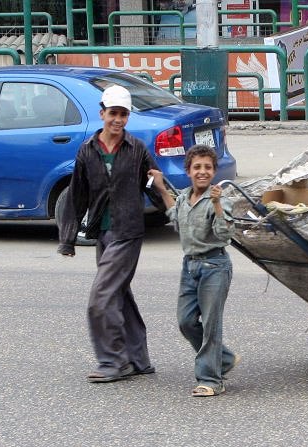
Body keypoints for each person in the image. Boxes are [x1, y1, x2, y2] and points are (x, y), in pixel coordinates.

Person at [57, 84, 162, 383]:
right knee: (118, 294)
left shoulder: (137, 148)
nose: (118, 120)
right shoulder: (87, 150)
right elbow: (77, 194)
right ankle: (138, 359)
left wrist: (181, 215)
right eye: (113, 113)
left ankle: (114, 362)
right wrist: (67, 238)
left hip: (128, 232)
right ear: (102, 113)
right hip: (102, 233)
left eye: (123, 115)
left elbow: (155, 185)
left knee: (100, 298)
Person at [149, 144, 240, 397]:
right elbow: (174, 215)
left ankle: (211, 379)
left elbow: (225, 234)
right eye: (197, 167)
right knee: (186, 321)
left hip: (215, 267)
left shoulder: (218, 199)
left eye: (208, 167)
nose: (202, 172)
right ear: (188, 171)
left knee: (211, 324)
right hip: (190, 267)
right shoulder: (184, 199)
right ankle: (223, 358)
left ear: (214, 171)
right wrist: (159, 186)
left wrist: (217, 204)